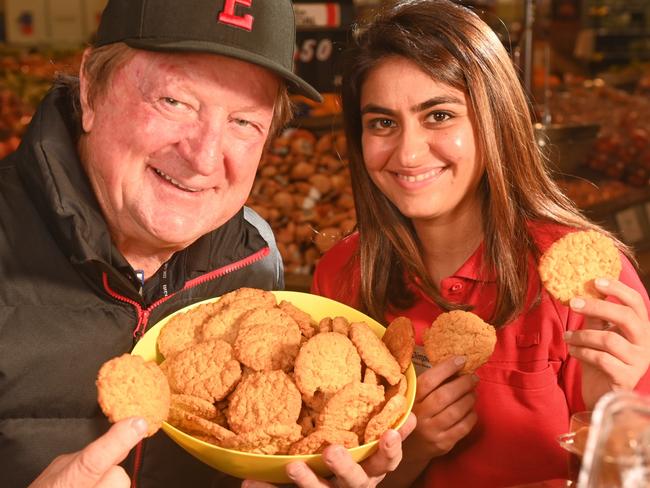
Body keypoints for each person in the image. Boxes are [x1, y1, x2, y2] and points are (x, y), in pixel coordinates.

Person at [0, 0, 414, 487]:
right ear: (91, 87)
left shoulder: (255, 260)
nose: (202, 157)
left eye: (244, 122)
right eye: (174, 101)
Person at [311, 1, 650, 486]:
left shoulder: (588, 284)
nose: (407, 153)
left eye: (439, 115)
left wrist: (610, 410)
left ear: (496, 120)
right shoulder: (342, 274)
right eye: (382, 123)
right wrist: (414, 450)